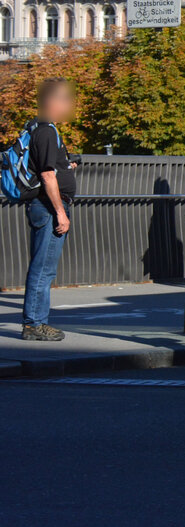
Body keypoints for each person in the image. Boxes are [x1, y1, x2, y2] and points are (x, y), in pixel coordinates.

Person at [21, 78, 78, 341]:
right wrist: (60, 212)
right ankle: (34, 323)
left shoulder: (43, 129)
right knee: (43, 268)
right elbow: (46, 175)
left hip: (45, 206)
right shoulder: (45, 131)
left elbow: (51, 168)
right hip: (47, 207)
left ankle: (35, 321)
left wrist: (67, 167)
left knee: (43, 266)